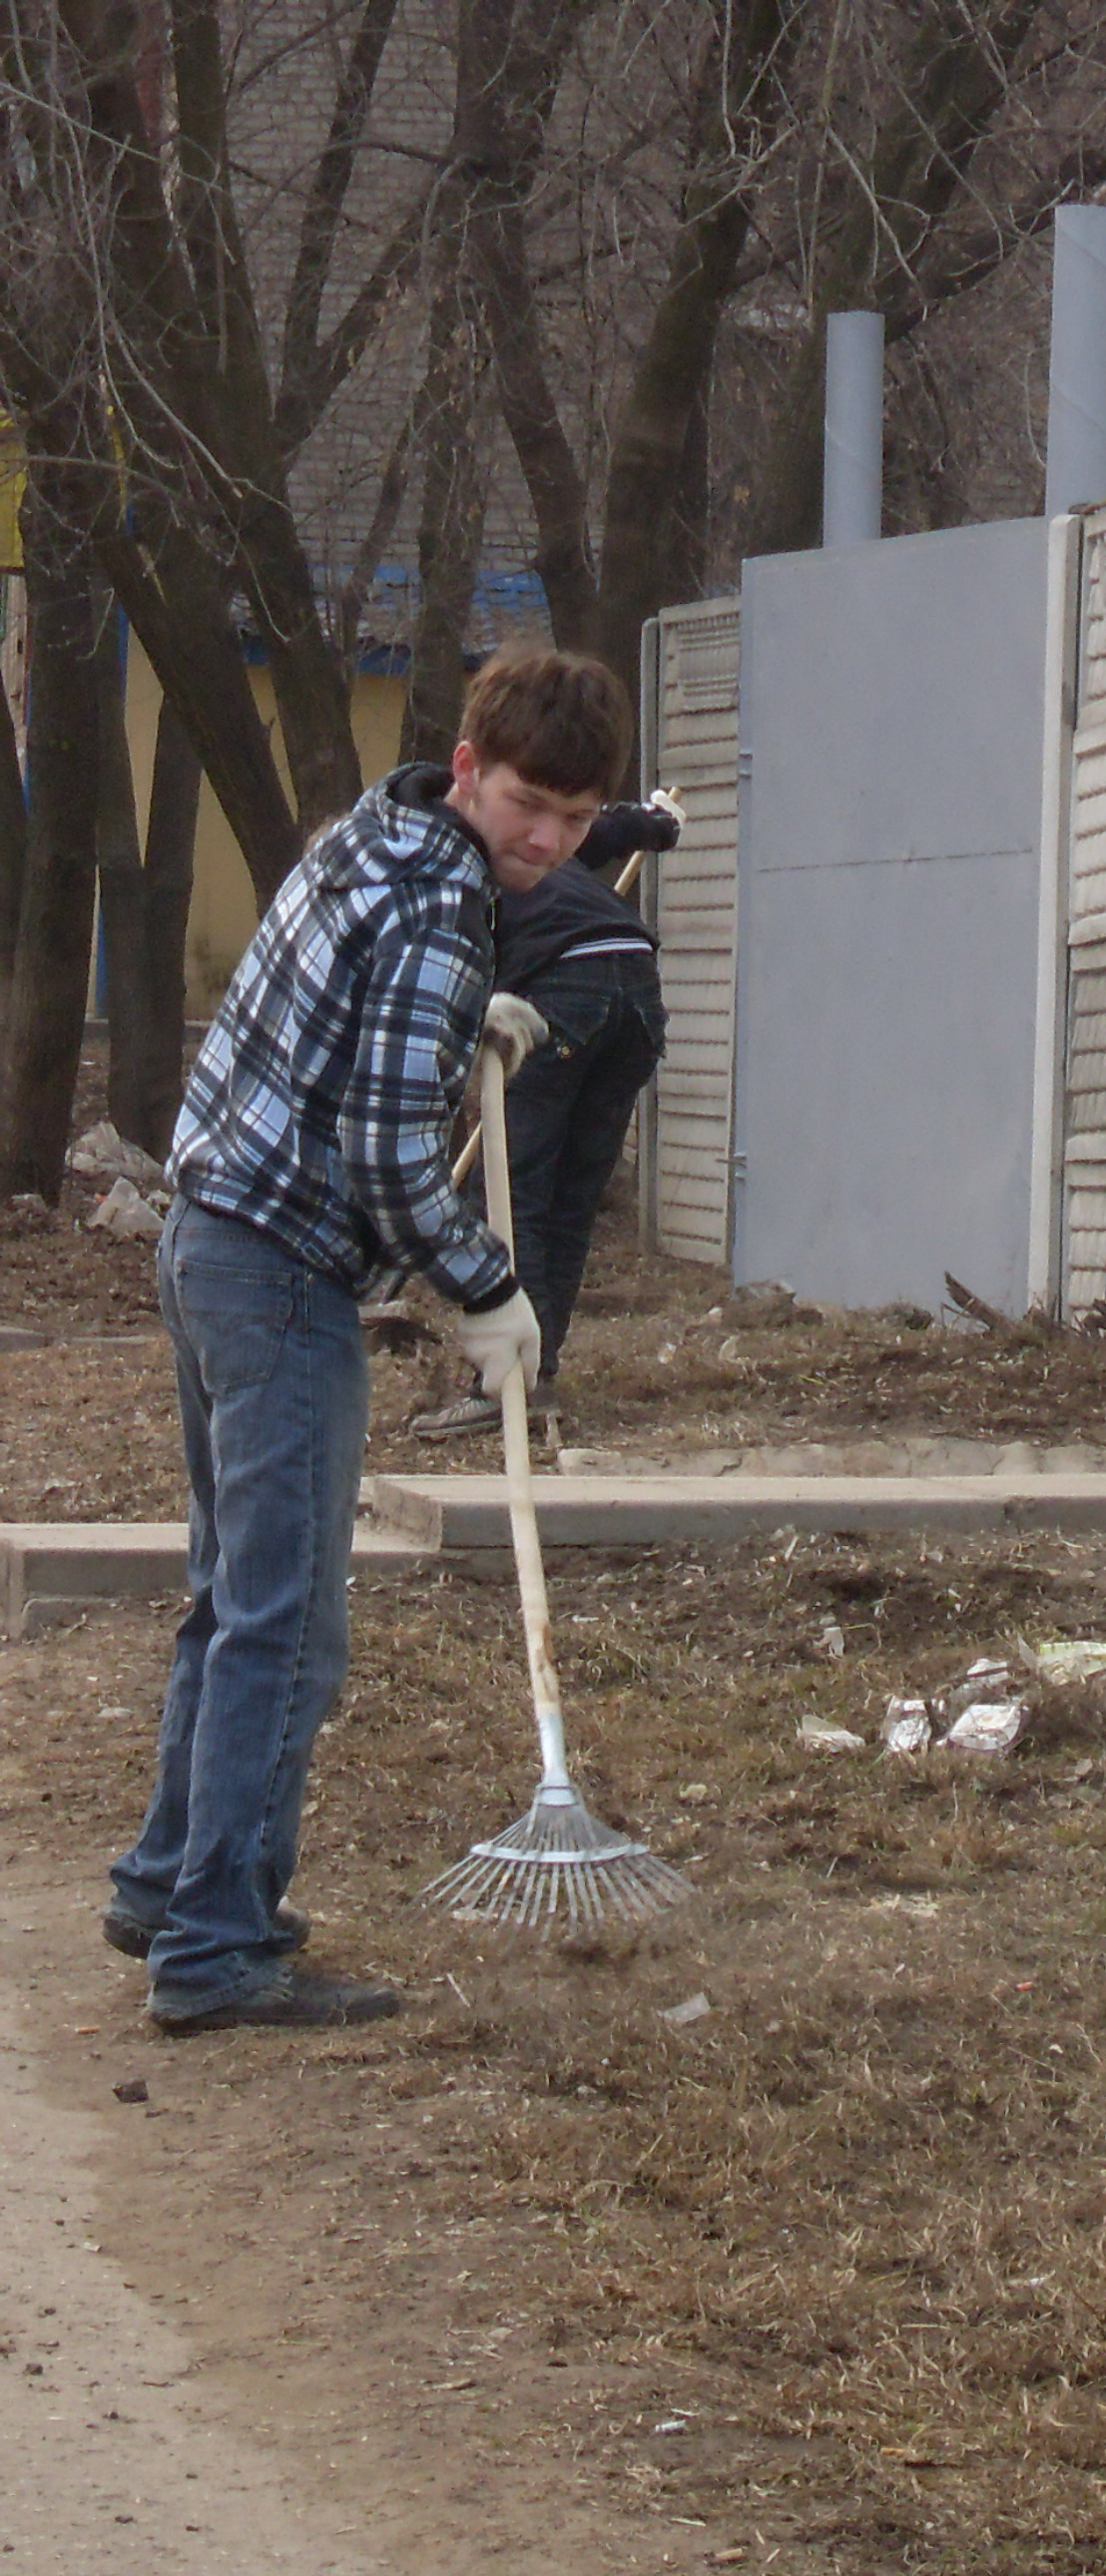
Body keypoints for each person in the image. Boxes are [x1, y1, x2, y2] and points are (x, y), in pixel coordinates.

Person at [106, 648, 631, 2032]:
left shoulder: (373, 831)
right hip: (279, 1274)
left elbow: (338, 1026)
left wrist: (463, 1022)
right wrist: (486, 1291)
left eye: (577, 821)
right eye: (528, 803)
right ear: (471, 768)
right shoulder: (444, 911)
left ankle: (168, 1881)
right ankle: (213, 1950)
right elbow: (395, 1163)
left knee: (233, 1595)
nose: (548, 840)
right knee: (287, 1630)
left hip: (205, 1232)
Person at [410, 789, 684, 1439]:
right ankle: (540, 1375)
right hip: (637, 989)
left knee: (511, 1194)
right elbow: (607, 831)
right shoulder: (540, 845)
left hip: (563, 987)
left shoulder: (445, 869)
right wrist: (656, 826)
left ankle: (510, 1385)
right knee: (568, 1201)